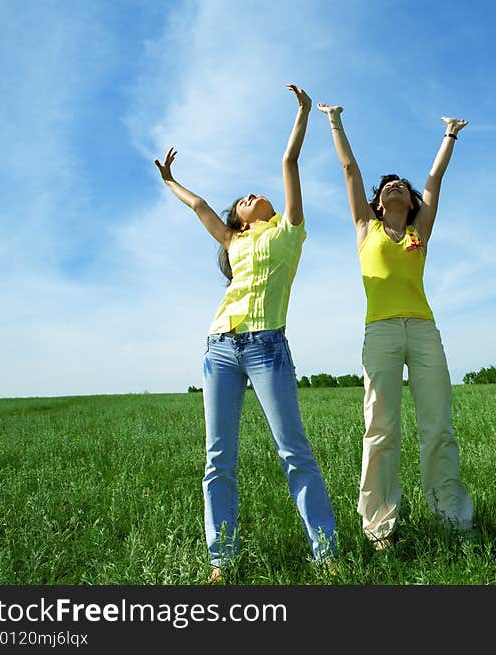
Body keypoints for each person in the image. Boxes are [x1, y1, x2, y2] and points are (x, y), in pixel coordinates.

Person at [154, 84, 338, 581]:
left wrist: (302, 114)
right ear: (237, 217)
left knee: (293, 449)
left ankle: (327, 552)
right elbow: (198, 206)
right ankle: (221, 560)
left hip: (266, 347)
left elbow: (289, 162)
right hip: (219, 347)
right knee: (218, 458)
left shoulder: (288, 231)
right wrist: (170, 178)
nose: (251, 197)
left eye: (254, 196)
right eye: (242, 200)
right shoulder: (233, 239)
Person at [317, 100, 474, 549]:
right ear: (377, 200)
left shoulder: (419, 231)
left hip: (424, 330)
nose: (396, 187)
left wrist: (450, 135)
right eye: (388, 185)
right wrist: (335, 121)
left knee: (438, 426)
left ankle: (453, 519)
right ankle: (379, 526)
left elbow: (434, 180)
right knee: (380, 428)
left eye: (401, 185)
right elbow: (349, 169)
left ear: (409, 200)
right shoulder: (365, 227)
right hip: (381, 332)